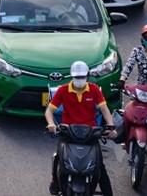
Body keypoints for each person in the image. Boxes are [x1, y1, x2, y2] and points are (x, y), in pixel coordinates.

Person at [45, 61, 116, 196]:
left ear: (87, 76)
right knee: (58, 158)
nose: (79, 80)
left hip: (90, 133)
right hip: (68, 132)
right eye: (76, 77)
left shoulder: (94, 89)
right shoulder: (63, 90)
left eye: (82, 77)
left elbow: (104, 109)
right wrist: (51, 124)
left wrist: (111, 126)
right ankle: (55, 180)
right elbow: (49, 111)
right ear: (72, 76)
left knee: (99, 166)